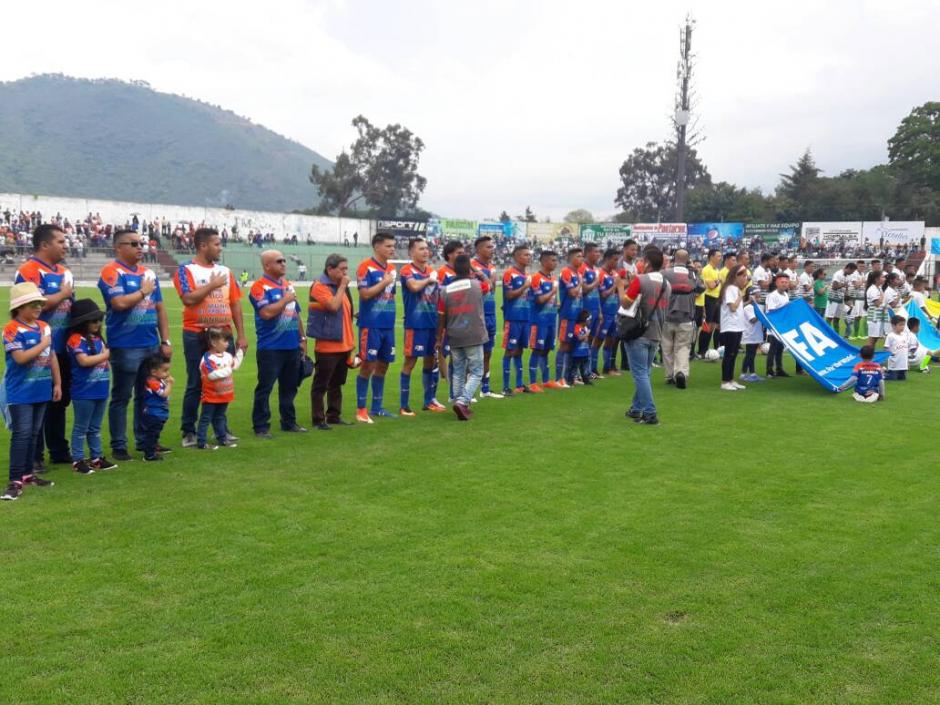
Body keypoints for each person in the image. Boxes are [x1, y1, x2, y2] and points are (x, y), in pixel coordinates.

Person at [99, 229, 172, 462]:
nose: (140, 247)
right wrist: (143, 291)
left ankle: (146, 441)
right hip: (125, 345)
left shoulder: (148, 273)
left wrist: (165, 340)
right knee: (122, 397)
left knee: (146, 395)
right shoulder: (112, 272)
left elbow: (159, 308)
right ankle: (119, 445)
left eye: (141, 243)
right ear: (118, 247)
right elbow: (119, 303)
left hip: (150, 343)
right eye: (133, 244)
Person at [173, 228, 247, 447]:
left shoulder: (225, 271)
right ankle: (189, 431)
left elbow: (235, 303)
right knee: (196, 383)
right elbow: (188, 299)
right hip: (196, 334)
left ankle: (220, 429)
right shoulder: (186, 270)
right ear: (203, 246)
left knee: (222, 382)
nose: (220, 248)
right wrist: (212, 285)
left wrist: (241, 335)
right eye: (216, 244)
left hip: (223, 335)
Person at [15, 224, 74, 469]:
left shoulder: (64, 271)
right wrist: (62, 294)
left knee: (59, 401)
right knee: (37, 402)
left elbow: (71, 307)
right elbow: (35, 304)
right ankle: (35, 455)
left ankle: (59, 450)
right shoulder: (29, 270)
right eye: (60, 241)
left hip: (62, 348)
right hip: (36, 350)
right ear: (44, 244)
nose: (65, 246)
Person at [2, 282, 59, 501]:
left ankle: (28, 474)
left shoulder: (44, 326)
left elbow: (52, 356)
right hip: (21, 392)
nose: (38, 307)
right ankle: (14, 481)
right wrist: (43, 343)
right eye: (33, 304)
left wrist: (57, 383)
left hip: (41, 389)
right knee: (22, 434)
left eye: (39, 304)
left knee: (34, 433)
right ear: (19, 307)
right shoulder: (11, 329)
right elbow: (21, 358)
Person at [248, 250, 307, 438]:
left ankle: (288, 422)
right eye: (278, 261)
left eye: (283, 260)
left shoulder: (288, 285)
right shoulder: (259, 287)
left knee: (289, 387)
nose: (283, 264)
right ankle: (261, 426)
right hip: (270, 348)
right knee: (265, 388)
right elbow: (266, 313)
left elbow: (296, 313)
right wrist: (285, 299)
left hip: (292, 346)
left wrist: (302, 339)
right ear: (267, 265)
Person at [619, 246, 670, 425]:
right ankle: (636, 408)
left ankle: (650, 412)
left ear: (647, 263)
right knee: (645, 373)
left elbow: (625, 303)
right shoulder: (666, 284)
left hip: (638, 333)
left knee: (640, 374)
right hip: (656, 333)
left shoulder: (641, 280)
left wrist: (620, 287)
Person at [67, 299, 117, 475]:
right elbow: (84, 361)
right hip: (84, 392)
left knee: (95, 427)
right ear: (82, 322)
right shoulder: (75, 339)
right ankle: (78, 460)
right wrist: (106, 355)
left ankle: (96, 457)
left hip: (100, 390)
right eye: (93, 321)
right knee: (81, 427)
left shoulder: (98, 338)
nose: (98, 324)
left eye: (99, 320)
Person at [436, 255, 488, 420]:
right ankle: (463, 401)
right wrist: (479, 273)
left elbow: (441, 316)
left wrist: (439, 338)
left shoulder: (445, 290)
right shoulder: (477, 285)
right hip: (473, 334)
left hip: (454, 335)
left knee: (458, 371)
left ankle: (459, 403)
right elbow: (489, 285)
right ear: (469, 269)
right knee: (477, 371)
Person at [308, 254, 357, 429]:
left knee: (337, 383)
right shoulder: (320, 286)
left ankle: (334, 416)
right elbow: (333, 306)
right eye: (342, 269)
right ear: (330, 269)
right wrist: (343, 285)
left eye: (346, 269)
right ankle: (318, 419)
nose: (345, 273)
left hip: (344, 344)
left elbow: (344, 311)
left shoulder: (340, 287)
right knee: (321, 385)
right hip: (327, 345)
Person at [399, 238, 445, 415]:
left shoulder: (432, 271)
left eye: (427, 248)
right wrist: (428, 280)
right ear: (412, 252)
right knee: (410, 362)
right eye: (421, 249)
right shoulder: (407, 270)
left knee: (430, 361)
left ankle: (429, 401)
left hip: (432, 324)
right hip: (415, 325)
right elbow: (413, 287)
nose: (426, 251)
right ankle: (404, 405)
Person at [355, 232, 398, 422]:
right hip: (371, 325)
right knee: (368, 365)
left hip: (388, 325)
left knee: (383, 365)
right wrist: (385, 282)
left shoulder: (391, 268)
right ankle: (361, 410)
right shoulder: (365, 267)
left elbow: (390, 295)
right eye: (388, 246)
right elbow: (365, 294)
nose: (392, 249)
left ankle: (377, 407)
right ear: (377, 247)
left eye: (393, 246)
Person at [661, 248, 702, 389]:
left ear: (674, 258)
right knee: (683, 347)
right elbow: (701, 288)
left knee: (667, 347)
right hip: (686, 316)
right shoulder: (692, 274)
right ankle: (681, 372)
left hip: (667, 316)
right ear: (688, 260)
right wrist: (693, 271)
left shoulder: (665, 273)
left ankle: (669, 375)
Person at [197, 328, 245, 449]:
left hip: (224, 395)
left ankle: (222, 439)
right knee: (206, 418)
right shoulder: (208, 358)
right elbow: (212, 375)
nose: (228, 343)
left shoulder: (227, 356)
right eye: (225, 341)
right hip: (210, 395)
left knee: (220, 417)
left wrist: (241, 352)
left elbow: (235, 365)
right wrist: (228, 369)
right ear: (214, 343)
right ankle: (201, 442)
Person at [470, 236, 504, 399]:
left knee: (487, 352)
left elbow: (492, 290)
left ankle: (485, 389)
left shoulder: (491, 267)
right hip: (476, 315)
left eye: (492, 247)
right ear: (479, 250)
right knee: (472, 354)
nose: (492, 250)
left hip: (490, 315)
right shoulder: (472, 266)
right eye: (488, 247)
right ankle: (469, 390)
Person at [500, 245, 532, 395]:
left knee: (520, 350)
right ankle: (506, 387)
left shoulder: (527, 275)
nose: (529, 257)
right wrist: (525, 286)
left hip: (526, 318)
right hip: (513, 318)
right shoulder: (509, 274)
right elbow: (509, 295)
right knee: (510, 350)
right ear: (517, 257)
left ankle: (519, 384)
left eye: (529, 255)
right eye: (526, 255)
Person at [527, 250, 560, 392]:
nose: (556, 263)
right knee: (537, 349)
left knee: (546, 350)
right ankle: (532, 383)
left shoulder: (553, 278)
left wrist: (556, 303)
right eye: (553, 260)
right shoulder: (536, 278)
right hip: (539, 321)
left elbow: (554, 300)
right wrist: (553, 292)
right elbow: (540, 300)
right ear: (544, 262)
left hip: (551, 319)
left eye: (556, 260)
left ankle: (546, 380)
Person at [555, 248, 584, 387]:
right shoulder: (566, 272)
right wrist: (581, 283)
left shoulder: (578, 274)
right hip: (567, 315)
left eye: (582, 256)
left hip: (577, 315)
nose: (581, 259)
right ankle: (559, 378)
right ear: (571, 258)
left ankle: (569, 377)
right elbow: (572, 293)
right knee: (565, 345)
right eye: (578, 256)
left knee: (573, 345)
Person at [719, 265, 749, 390]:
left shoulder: (735, 289)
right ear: (736, 276)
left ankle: (730, 379)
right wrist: (741, 296)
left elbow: (738, 307)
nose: (745, 279)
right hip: (731, 326)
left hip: (737, 326)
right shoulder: (730, 288)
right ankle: (725, 381)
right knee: (729, 354)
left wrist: (748, 301)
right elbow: (733, 307)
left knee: (734, 354)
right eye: (743, 276)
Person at [141, 355, 173, 461]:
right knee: (152, 434)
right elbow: (164, 394)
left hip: (159, 412)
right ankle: (149, 455)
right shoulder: (153, 383)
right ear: (154, 372)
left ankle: (153, 449)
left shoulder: (158, 380)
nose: (167, 373)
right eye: (165, 370)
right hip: (154, 413)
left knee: (155, 433)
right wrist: (170, 384)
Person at [578, 243, 603, 378]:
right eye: (595, 252)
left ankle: (587, 371)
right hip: (585, 310)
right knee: (582, 340)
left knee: (590, 340)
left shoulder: (595, 270)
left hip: (594, 310)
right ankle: (577, 372)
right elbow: (583, 290)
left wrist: (599, 311)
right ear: (587, 253)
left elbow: (596, 292)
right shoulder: (582, 268)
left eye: (599, 252)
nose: (598, 254)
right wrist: (595, 283)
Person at [696, 248, 723, 356]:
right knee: (707, 325)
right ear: (711, 257)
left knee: (713, 325)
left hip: (716, 299)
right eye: (718, 256)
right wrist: (718, 281)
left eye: (720, 256)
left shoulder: (716, 270)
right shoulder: (707, 269)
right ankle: (701, 350)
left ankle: (706, 349)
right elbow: (711, 286)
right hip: (709, 298)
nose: (720, 258)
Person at [765, 273, 791, 378]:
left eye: (786, 282)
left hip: (782, 327)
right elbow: (772, 311)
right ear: (777, 283)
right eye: (782, 282)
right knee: (773, 349)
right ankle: (769, 370)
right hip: (774, 327)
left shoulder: (786, 295)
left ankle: (779, 369)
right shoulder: (772, 296)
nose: (784, 284)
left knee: (780, 349)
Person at [739, 288, 765, 383]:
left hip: (756, 333)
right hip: (750, 334)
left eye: (759, 295)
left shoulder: (757, 306)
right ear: (751, 296)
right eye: (756, 296)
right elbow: (752, 320)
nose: (759, 297)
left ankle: (752, 373)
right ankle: (743, 374)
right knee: (749, 355)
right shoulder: (749, 307)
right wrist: (761, 315)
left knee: (752, 355)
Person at [826, 263, 856, 336]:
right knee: (829, 318)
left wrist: (848, 300)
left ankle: (836, 335)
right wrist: (844, 284)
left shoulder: (848, 276)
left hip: (840, 300)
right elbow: (834, 286)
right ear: (848, 268)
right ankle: (827, 334)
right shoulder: (838, 274)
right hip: (833, 299)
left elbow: (846, 289)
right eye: (852, 271)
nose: (852, 273)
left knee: (837, 318)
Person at [568, 310, 593, 386]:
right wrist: (586, 335)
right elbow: (579, 337)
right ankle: (571, 380)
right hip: (577, 352)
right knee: (574, 366)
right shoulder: (577, 327)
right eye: (589, 320)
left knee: (584, 367)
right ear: (584, 320)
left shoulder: (585, 328)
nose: (590, 322)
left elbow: (586, 340)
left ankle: (585, 379)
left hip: (584, 351)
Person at [865, 270, 888, 348]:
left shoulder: (879, 288)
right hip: (874, 316)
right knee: (872, 338)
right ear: (876, 279)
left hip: (879, 315)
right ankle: (866, 354)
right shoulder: (872, 289)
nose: (884, 279)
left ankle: (870, 353)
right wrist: (882, 296)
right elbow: (877, 303)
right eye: (882, 277)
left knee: (876, 338)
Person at [884, 316, 909, 382]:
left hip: (903, 363)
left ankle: (888, 372)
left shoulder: (905, 335)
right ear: (893, 326)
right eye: (900, 325)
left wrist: (907, 361)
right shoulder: (890, 336)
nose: (902, 327)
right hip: (894, 362)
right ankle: (882, 373)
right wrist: (890, 353)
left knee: (902, 379)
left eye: (903, 325)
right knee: (893, 378)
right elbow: (886, 347)